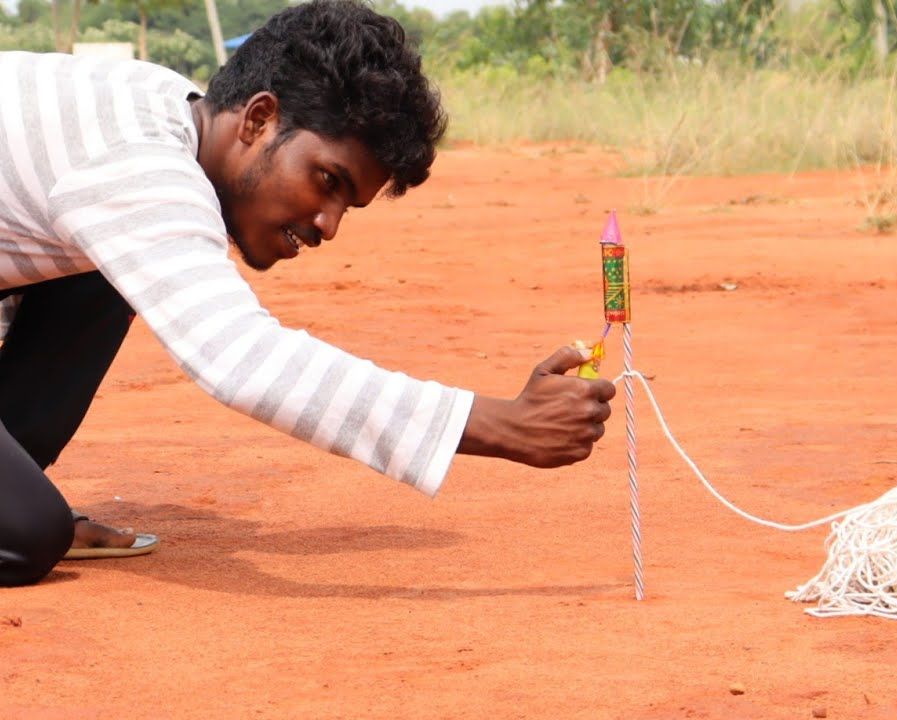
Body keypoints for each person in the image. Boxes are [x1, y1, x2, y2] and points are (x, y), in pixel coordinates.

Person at [0, 0, 615, 587]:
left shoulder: (167, 115)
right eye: (328, 181)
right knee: (28, 534)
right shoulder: (137, 162)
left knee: (108, 268)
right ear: (259, 119)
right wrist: (501, 424)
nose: (328, 225)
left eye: (348, 204)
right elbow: (239, 357)